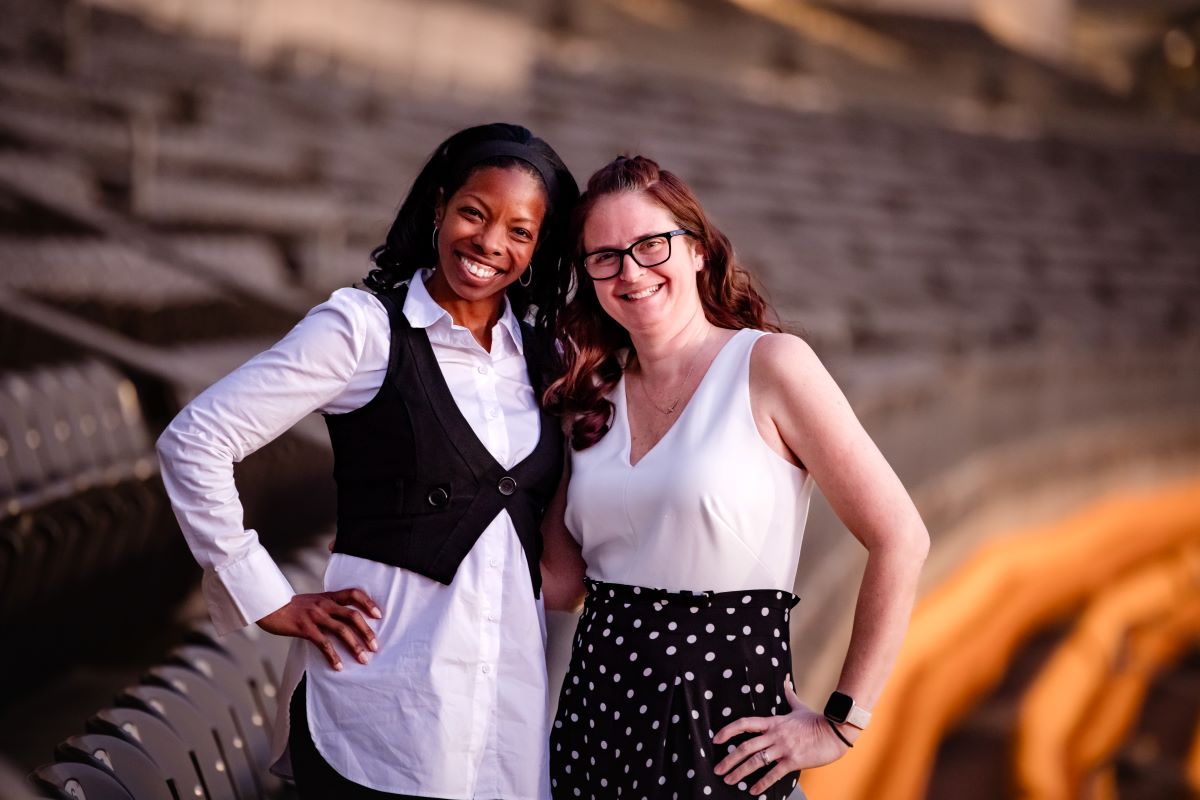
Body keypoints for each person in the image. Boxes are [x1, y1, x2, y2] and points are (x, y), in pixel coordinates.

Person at [156, 123, 579, 799]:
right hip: (380, 717)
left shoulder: (543, 360)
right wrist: (264, 595)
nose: (491, 243)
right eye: (475, 212)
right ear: (439, 206)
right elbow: (195, 439)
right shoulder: (362, 328)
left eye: (520, 232)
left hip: (503, 724)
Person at [540, 155, 929, 799]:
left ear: (697, 250)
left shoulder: (771, 365)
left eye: (650, 244)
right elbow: (561, 583)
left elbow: (901, 537)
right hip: (595, 724)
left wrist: (842, 723)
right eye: (604, 256)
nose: (630, 270)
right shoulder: (589, 395)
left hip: (725, 738)